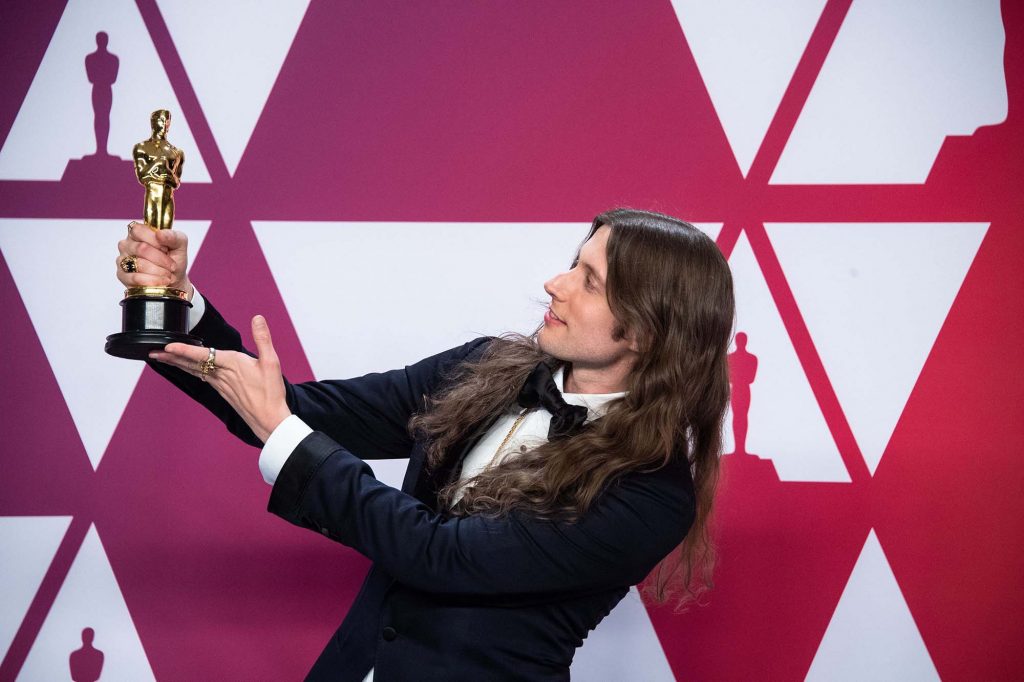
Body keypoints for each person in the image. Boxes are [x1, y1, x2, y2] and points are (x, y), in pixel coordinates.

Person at [114, 208, 735, 681]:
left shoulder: (651, 492)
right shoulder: (488, 366)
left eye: (590, 281)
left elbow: (442, 557)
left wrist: (286, 434)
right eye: (574, 261)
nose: (555, 282)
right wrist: (173, 305)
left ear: (648, 332)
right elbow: (303, 412)